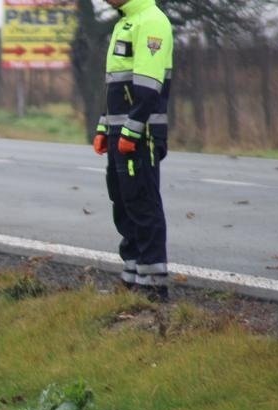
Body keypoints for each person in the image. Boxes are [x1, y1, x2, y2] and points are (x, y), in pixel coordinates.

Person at [92, 0, 173, 302]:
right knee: (123, 202)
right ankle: (132, 276)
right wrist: (104, 127)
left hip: (141, 134)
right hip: (119, 132)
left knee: (142, 203)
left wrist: (133, 129)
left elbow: (149, 86)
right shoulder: (124, 22)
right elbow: (115, 86)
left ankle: (153, 286)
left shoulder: (151, 21)